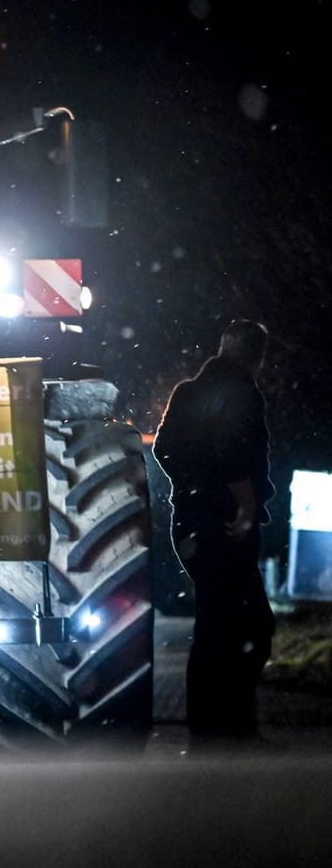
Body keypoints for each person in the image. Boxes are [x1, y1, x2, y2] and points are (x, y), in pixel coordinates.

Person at [152, 319, 277, 751]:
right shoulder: (243, 391)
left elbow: (161, 447)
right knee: (251, 624)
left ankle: (208, 724)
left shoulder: (187, 392)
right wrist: (242, 504)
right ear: (256, 356)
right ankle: (233, 724)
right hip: (225, 522)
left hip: (189, 521)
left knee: (214, 622)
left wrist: (190, 486)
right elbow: (233, 450)